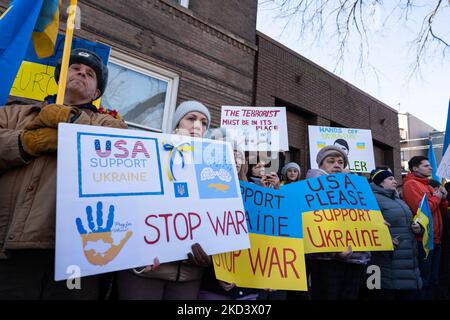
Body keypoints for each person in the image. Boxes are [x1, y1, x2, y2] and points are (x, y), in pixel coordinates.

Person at [0, 49, 127, 299]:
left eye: (90, 74)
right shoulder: (12, 113)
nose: (82, 72)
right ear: (60, 77)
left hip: (77, 254)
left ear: (96, 93)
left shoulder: (108, 124)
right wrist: (27, 142)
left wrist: (73, 121)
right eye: (75, 68)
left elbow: (120, 150)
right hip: (9, 247)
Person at [116, 100, 213, 300]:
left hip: (188, 276)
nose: (198, 126)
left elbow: (217, 218)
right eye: (191, 118)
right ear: (177, 123)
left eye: (204, 123)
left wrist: (210, 256)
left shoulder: (211, 168)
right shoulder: (151, 153)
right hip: (146, 270)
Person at [305, 146, 370, 300]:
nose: (337, 165)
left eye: (341, 162)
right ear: (321, 165)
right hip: (327, 260)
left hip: (355, 257)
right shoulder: (310, 188)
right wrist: (334, 250)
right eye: (331, 161)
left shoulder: (355, 188)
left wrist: (375, 224)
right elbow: (314, 225)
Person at [369, 169, 422, 300]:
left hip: (408, 257)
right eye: (390, 179)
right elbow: (367, 226)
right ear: (380, 182)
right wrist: (384, 239)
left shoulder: (398, 199)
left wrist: (418, 228)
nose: (395, 181)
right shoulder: (372, 199)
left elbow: (408, 222)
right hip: (387, 258)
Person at [402, 156, 449, 299]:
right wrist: (437, 198)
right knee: (425, 278)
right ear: (415, 168)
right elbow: (422, 210)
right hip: (423, 240)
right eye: (426, 166)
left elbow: (442, 208)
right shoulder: (411, 184)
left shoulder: (428, 185)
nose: (431, 168)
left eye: (430, 165)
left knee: (434, 278)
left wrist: (444, 197)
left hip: (436, 239)